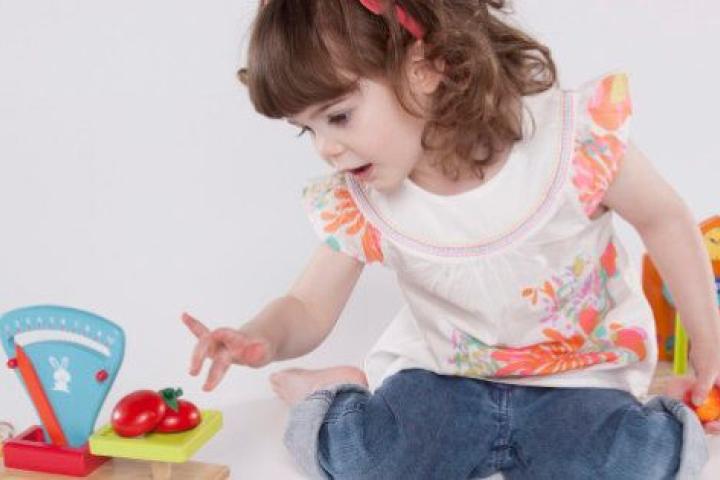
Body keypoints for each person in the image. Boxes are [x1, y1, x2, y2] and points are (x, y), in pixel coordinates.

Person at [182, 1, 720, 478]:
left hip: (577, 379)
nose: (326, 148)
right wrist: (261, 337)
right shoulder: (366, 199)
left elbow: (664, 218)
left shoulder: (567, 145)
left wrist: (706, 338)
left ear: (424, 69)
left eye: (339, 116)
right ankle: (336, 396)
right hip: (442, 381)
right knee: (375, 464)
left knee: (630, 466)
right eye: (309, 129)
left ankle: (664, 406)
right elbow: (307, 306)